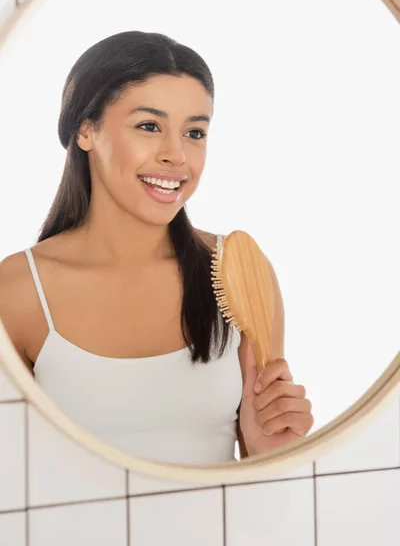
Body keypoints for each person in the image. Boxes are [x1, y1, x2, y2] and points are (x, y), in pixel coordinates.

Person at [0, 31, 313, 464]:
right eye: (149, 126)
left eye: (195, 132)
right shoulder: (18, 290)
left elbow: (263, 487)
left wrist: (268, 449)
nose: (176, 155)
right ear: (86, 129)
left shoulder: (237, 271)